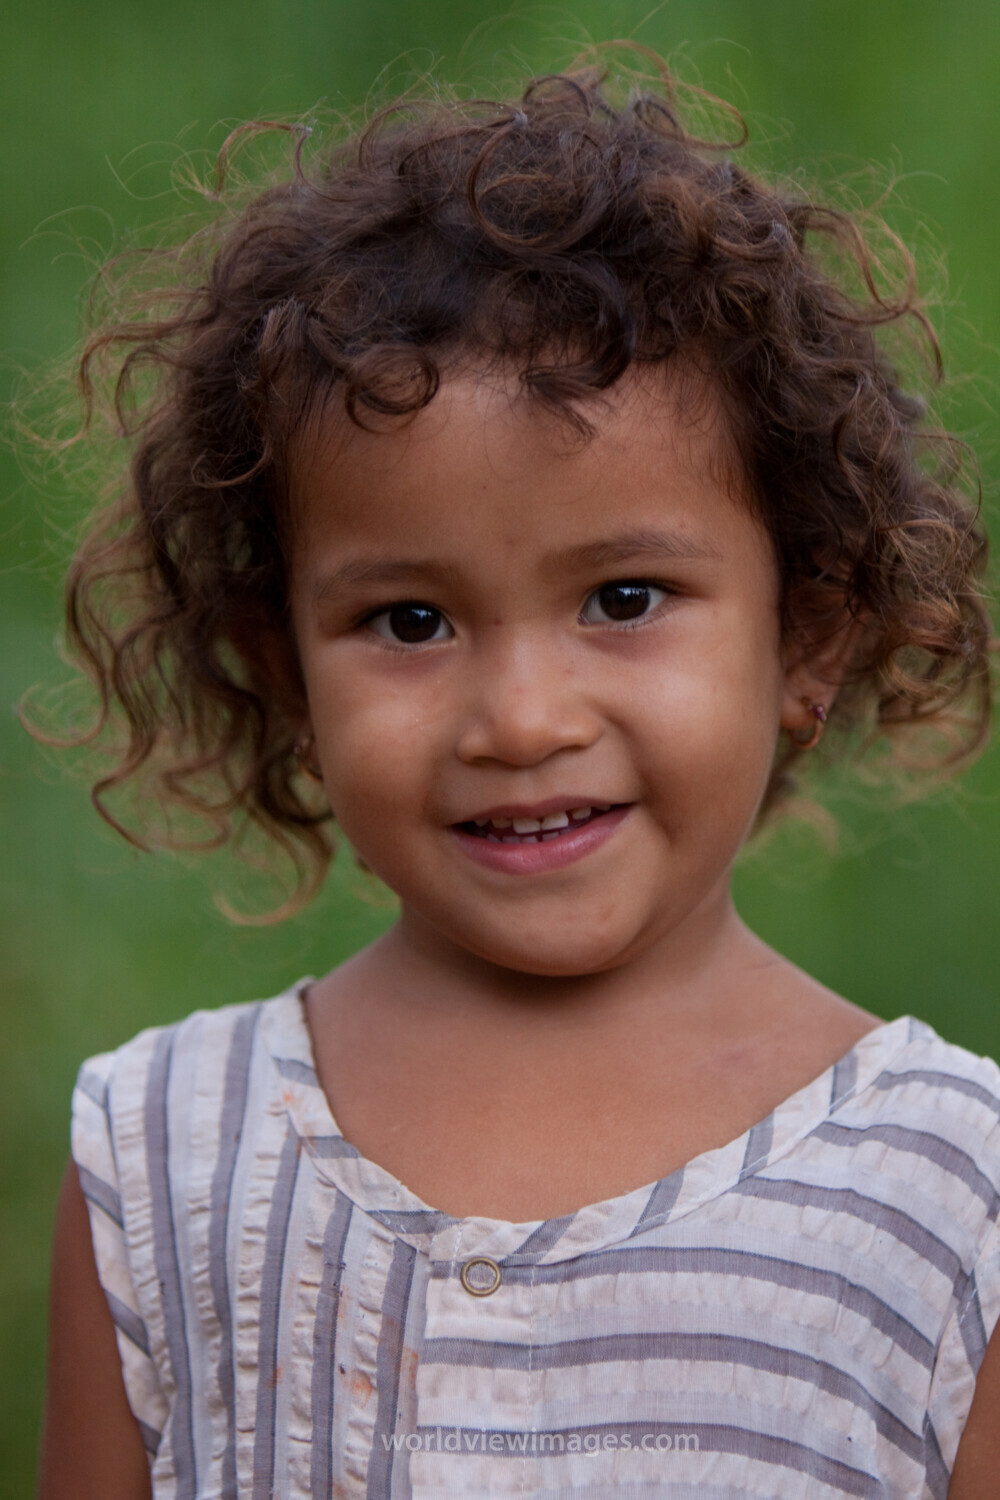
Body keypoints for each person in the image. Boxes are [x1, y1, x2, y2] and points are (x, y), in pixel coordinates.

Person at [34, 54, 1000, 1500]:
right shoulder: (164, 1155)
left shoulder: (951, 1195)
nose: (523, 717)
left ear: (807, 633)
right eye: (408, 622)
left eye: (623, 598)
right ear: (286, 674)